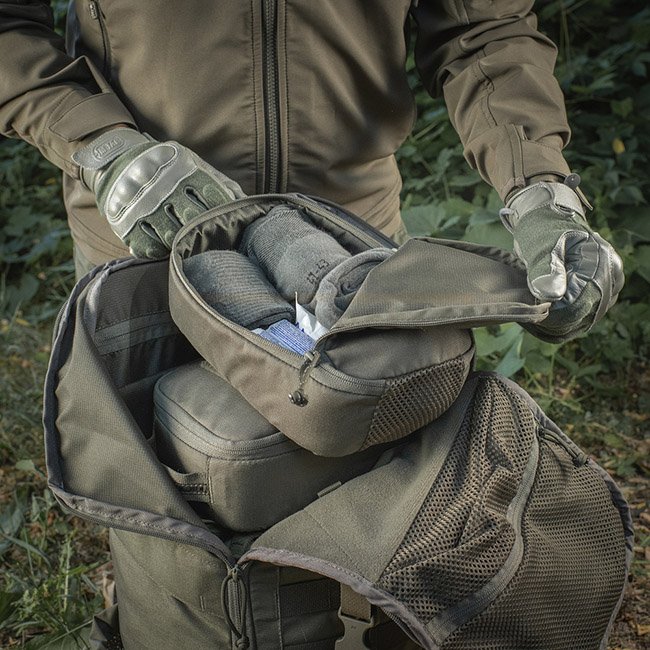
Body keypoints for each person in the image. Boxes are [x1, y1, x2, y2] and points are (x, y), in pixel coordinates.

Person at [0, 0, 623, 336]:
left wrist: (539, 187)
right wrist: (102, 145)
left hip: (350, 241)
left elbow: (483, 29)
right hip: (152, 235)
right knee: (163, 501)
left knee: (365, 495)